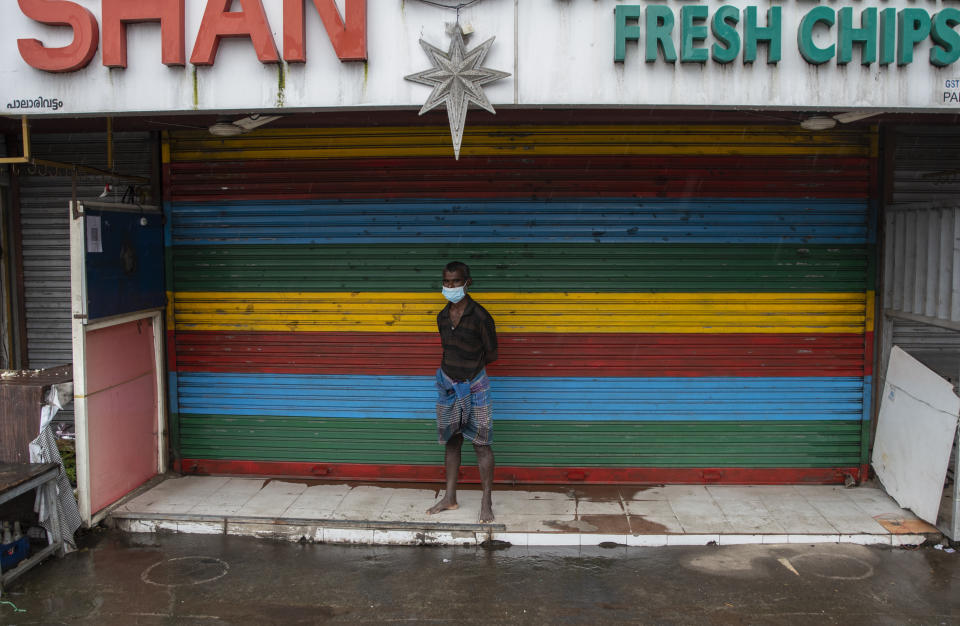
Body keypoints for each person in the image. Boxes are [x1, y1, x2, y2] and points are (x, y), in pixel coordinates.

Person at [426, 261, 498, 522]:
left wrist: (468, 374)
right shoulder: (442, 316)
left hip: (475, 385)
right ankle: (450, 497)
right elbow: (448, 348)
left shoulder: (481, 316)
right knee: (452, 441)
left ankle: (486, 502)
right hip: (447, 384)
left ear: (468, 282)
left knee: (482, 444)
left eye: (455, 281)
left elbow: (491, 353)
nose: (450, 286)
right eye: (446, 281)